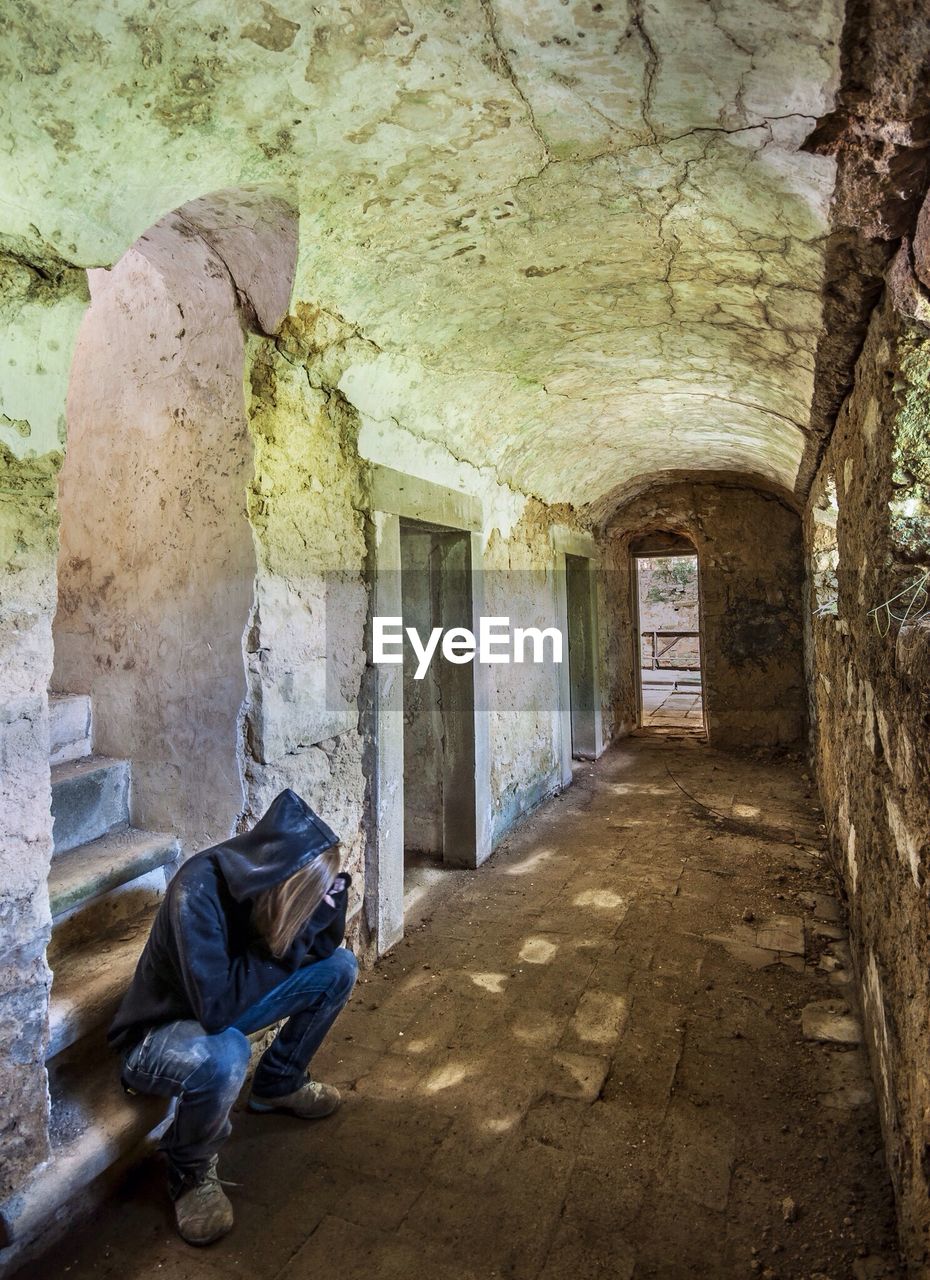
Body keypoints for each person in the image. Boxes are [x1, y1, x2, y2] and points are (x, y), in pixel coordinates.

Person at [108, 789, 358, 1246]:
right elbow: (217, 1009)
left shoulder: (265, 888)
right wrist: (293, 941)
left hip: (218, 1010)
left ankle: (279, 1082)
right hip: (158, 1034)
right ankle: (189, 1170)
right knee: (227, 1053)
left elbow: (320, 951)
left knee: (340, 969)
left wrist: (328, 913)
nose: (313, 907)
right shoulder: (196, 892)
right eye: (308, 900)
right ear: (287, 888)